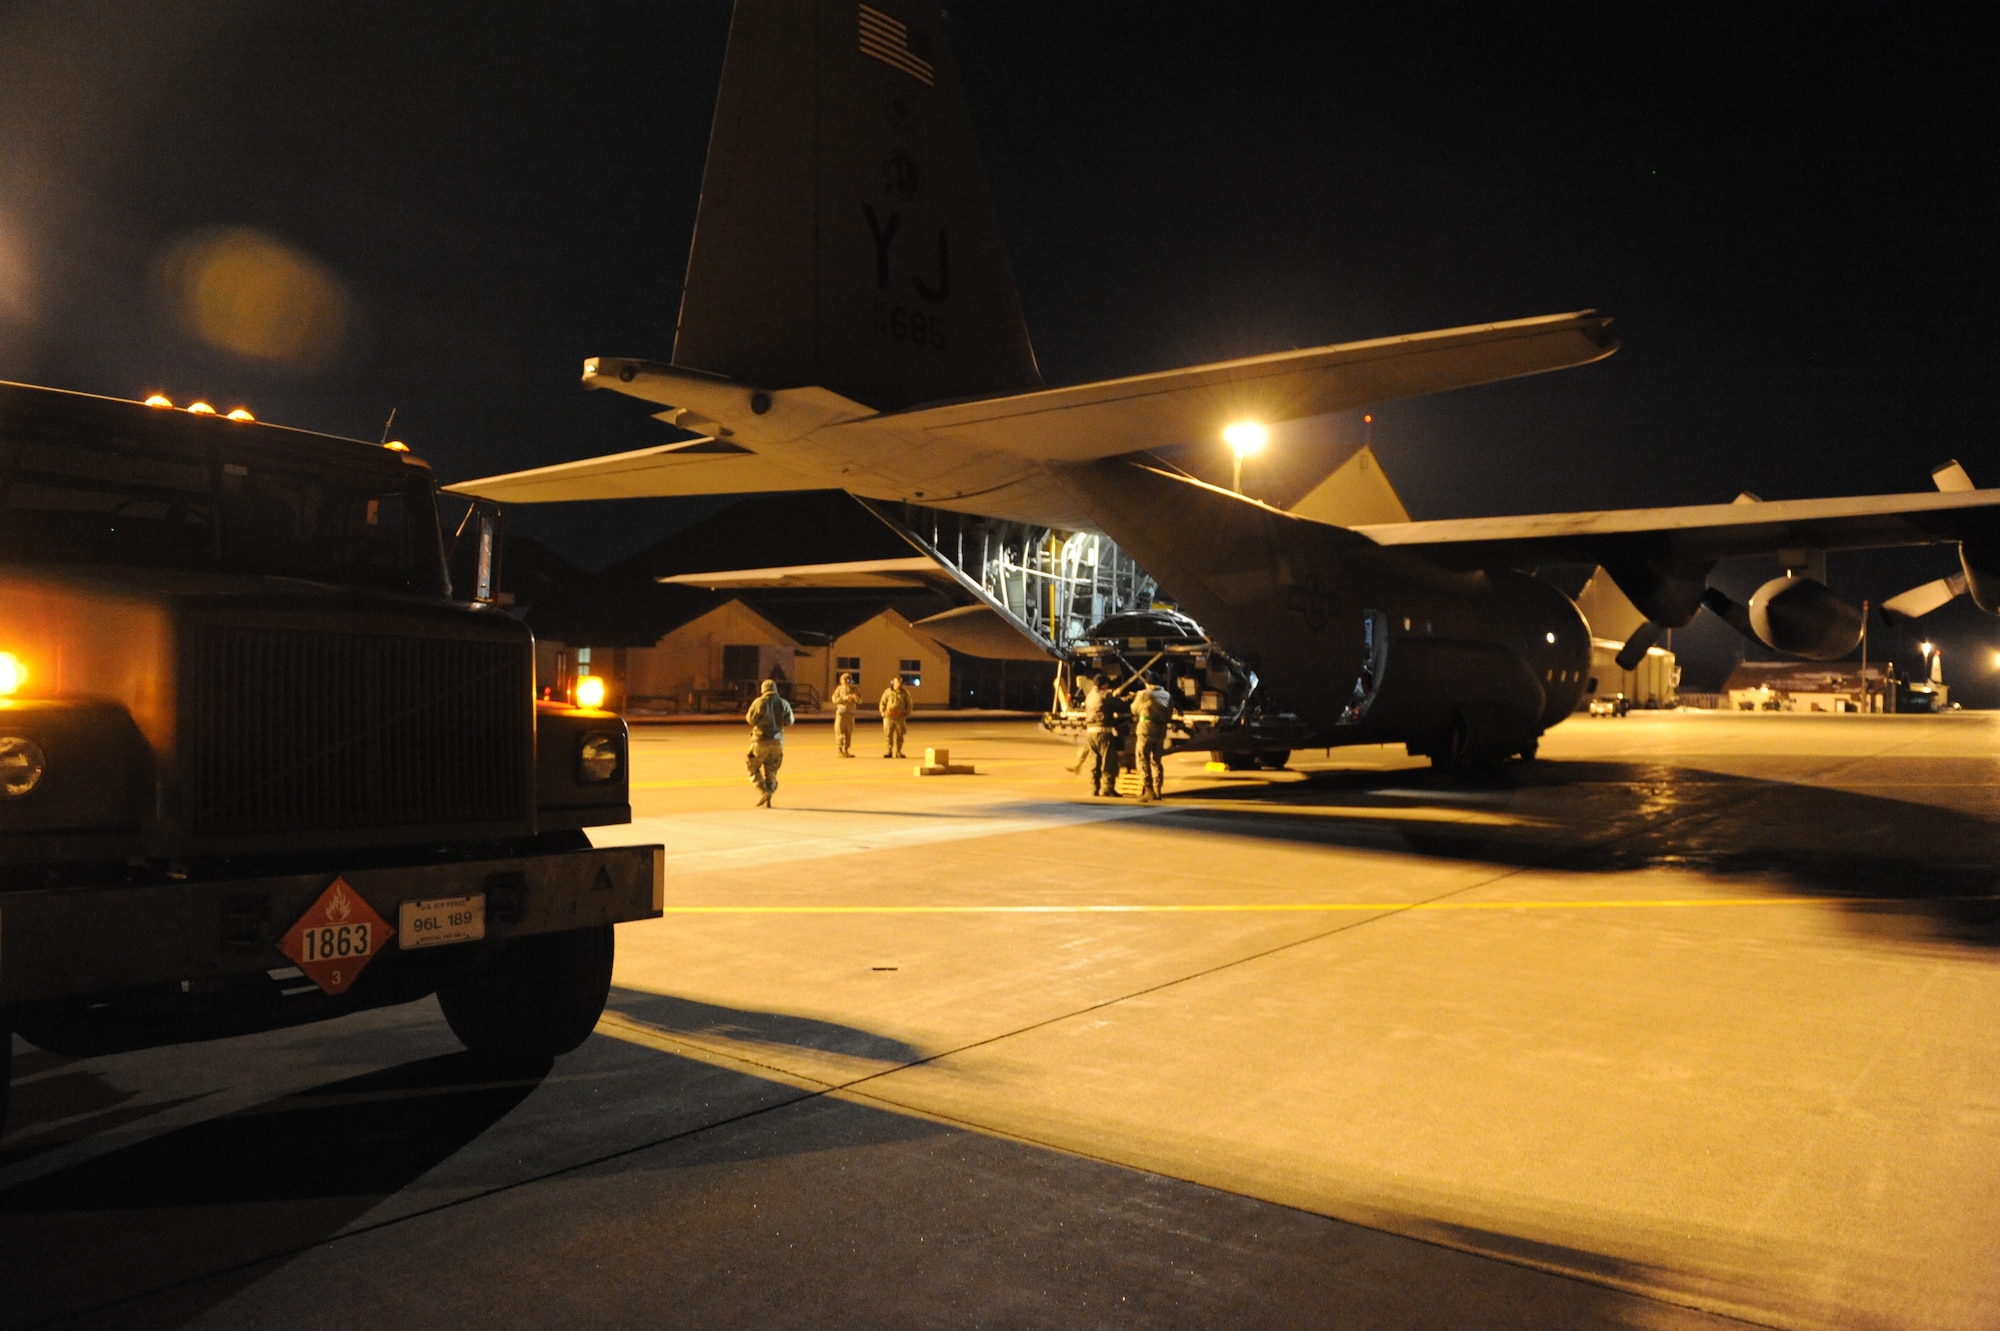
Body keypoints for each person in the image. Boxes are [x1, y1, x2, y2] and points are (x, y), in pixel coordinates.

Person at [744, 678, 793, 807]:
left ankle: (764, 790)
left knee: (752, 767)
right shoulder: (784, 703)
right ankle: (770, 793)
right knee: (771, 770)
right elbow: (790, 721)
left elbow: (750, 719)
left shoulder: (759, 702)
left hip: (761, 740)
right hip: (778, 741)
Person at [1131, 678, 1173, 802]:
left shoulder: (1143, 694)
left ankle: (1148, 789)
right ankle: (1157, 789)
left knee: (1142, 758)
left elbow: (1134, 709)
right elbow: (1169, 713)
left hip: (1145, 730)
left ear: (1147, 683)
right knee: (1156, 760)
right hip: (1160, 730)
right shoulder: (1166, 695)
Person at [1083, 675, 1123, 796]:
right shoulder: (1105, 696)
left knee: (1094, 762)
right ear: (1103, 685)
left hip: (1091, 733)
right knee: (1108, 762)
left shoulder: (1089, 696)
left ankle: (1094, 788)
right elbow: (1120, 705)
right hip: (1103, 733)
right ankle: (1107, 789)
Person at [830, 672, 862, 757]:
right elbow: (834, 699)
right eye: (845, 680)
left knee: (848, 733)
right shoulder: (839, 689)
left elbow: (860, 701)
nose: (847, 682)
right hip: (841, 713)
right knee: (839, 732)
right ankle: (840, 750)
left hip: (850, 714)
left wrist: (855, 697)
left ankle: (846, 750)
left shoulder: (854, 689)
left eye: (848, 680)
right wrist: (844, 698)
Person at [879, 675, 911, 758]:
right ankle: (889, 751)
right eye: (897, 682)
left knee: (900, 735)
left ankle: (898, 752)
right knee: (888, 735)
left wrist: (907, 713)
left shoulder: (905, 693)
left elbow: (909, 704)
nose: (899, 684)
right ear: (893, 683)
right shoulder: (887, 692)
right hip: (889, 716)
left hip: (900, 717)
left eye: (900, 682)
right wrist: (883, 713)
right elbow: (882, 702)